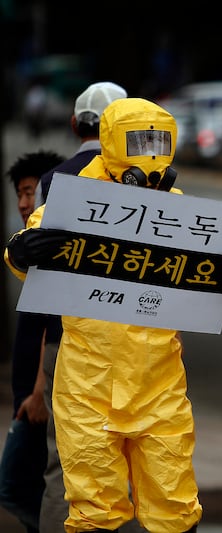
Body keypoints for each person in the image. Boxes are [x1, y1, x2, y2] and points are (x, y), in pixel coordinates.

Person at [4, 97, 222, 532]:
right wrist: (20, 250)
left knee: (174, 506)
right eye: (140, 142)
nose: (150, 155)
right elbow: (25, 249)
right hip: (88, 387)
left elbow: (209, 283)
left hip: (158, 385)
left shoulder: (183, 215)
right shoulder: (74, 207)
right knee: (93, 509)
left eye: (158, 142)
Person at [32, 81, 141, 533]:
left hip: (71, 342)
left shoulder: (54, 182)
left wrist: (37, 369)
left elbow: (39, 272)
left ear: (76, 123)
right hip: (141, 344)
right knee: (140, 452)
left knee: (70, 459)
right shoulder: (151, 181)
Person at [0, 150, 65, 533]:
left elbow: (55, 327)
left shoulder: (56, 249)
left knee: (18, 488)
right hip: (32, 394)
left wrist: (42, 390)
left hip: (44, 396)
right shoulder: (33, 246)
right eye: (21, 194)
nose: (25, 203)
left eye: (32, 192)